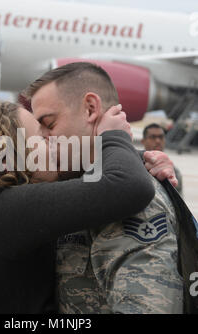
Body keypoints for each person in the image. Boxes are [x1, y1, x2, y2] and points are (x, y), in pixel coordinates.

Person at [0, 101, 158, 314]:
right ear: (8, 157)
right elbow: (127, 186)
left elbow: (96, 185)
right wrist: (113, 137)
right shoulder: (3, 212)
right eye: (41, 137)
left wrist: (140, 159)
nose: (53, 141)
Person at [24, 62, 183, 314]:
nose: (41, 138)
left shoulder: (127, 200)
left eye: (50, 124)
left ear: (90, 108)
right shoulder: (81, 181)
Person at [142, 123, 183, 196]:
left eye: (161, 137)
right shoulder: (136, 166)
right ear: (143, 141)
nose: (158, 141)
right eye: (152, 137)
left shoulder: (173, 171)